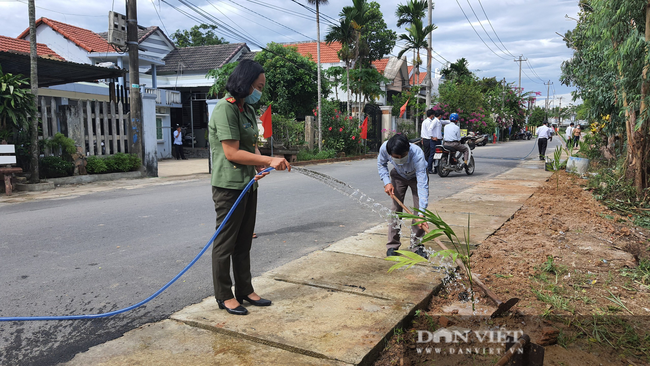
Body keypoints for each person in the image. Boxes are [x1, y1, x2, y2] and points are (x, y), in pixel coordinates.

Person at [208, 59, 291, 316]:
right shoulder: (226, 108)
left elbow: (250, 145)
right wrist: (268, 160)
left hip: (248, 184)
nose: (260, 92)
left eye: (262, 87)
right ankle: (224, 295)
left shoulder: (247, 110)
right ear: (245, 83)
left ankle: (245, 290)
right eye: (258, 86)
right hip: (228, 187)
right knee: (226, 243)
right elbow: (232, 152)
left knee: (244, 242)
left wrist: (259, 166)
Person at [378, 134, 430, 259]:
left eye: (403, 156)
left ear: (408, 150)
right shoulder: (385, 148)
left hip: (416, 177)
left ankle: (416, 246)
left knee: (418, 212)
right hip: (398, 176)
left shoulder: (417, 154)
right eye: (396, 157)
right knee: (395, 210)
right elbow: (381, 164)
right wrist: (387, 182)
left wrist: (422, 215)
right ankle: (392, 245)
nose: (400, 159)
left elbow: (422, 184)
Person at [420, 109, 434, 174]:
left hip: (425, 139)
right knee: (430, 154)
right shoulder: (430, 122)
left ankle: (425, 168)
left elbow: (422, 131)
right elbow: (430, 131)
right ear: (431, 115)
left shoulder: (424, 121)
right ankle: (429, 168)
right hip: (429, 139)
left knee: (426, 154)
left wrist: (422, 139)